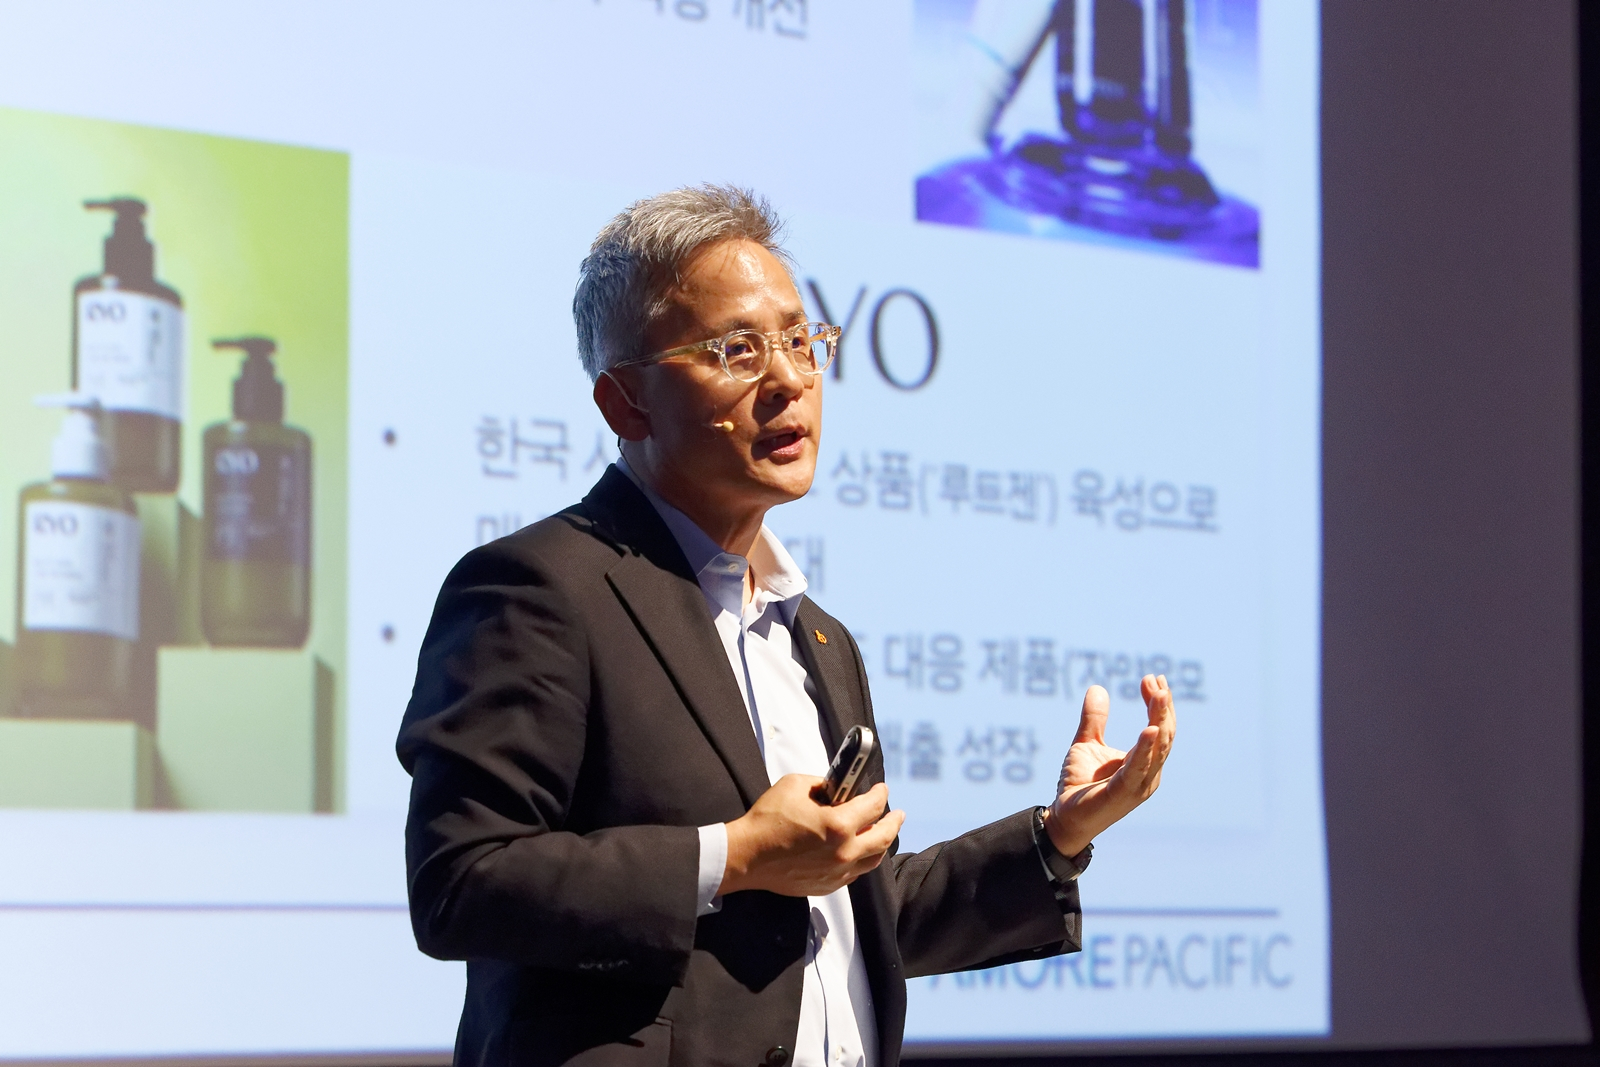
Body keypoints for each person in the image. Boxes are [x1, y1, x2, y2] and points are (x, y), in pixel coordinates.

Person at [397, 185, 1176, 1067]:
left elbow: (856, 911)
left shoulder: (818, 636)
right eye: (737, 349)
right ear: (625, 404)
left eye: (802, 342)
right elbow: (462, 881)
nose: (788, 379)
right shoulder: (543, 587)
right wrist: (731, 855)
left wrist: (1059, 833)